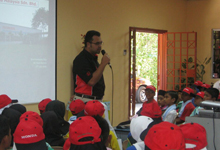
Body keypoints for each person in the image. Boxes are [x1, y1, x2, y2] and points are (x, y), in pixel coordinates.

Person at [71, 30, 110, 102]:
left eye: (101, 43)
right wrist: (103, 63)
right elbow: (91, 81)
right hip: (85, 100)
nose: (100, 46)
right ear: (88, 44)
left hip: (95, 100)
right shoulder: (81, 59)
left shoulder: (93, 59)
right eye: (97, 43)